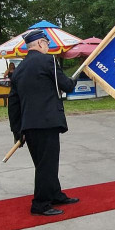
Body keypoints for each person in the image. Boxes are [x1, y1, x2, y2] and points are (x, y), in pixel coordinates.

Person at [8, 30, 78, 216]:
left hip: (29, 126)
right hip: (46, 123)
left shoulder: (19, 69)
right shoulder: (48, 61)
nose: (48, 47)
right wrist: (74, 79)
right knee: (46, 166)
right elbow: (67, 86)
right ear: (40, 44)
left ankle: (55, 194)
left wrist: (17, 130)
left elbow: (13, 104)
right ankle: (40, 204)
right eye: (46, 43)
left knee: (45, 163)